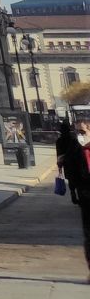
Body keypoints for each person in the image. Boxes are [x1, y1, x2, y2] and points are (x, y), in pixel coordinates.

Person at [56, 110, 90, 282]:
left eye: (82, 132)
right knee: (89, 235)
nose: (79, 135)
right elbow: (70, 170)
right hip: (85, 195)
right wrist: (73, 191)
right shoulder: (74, 148)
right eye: (77, 132)